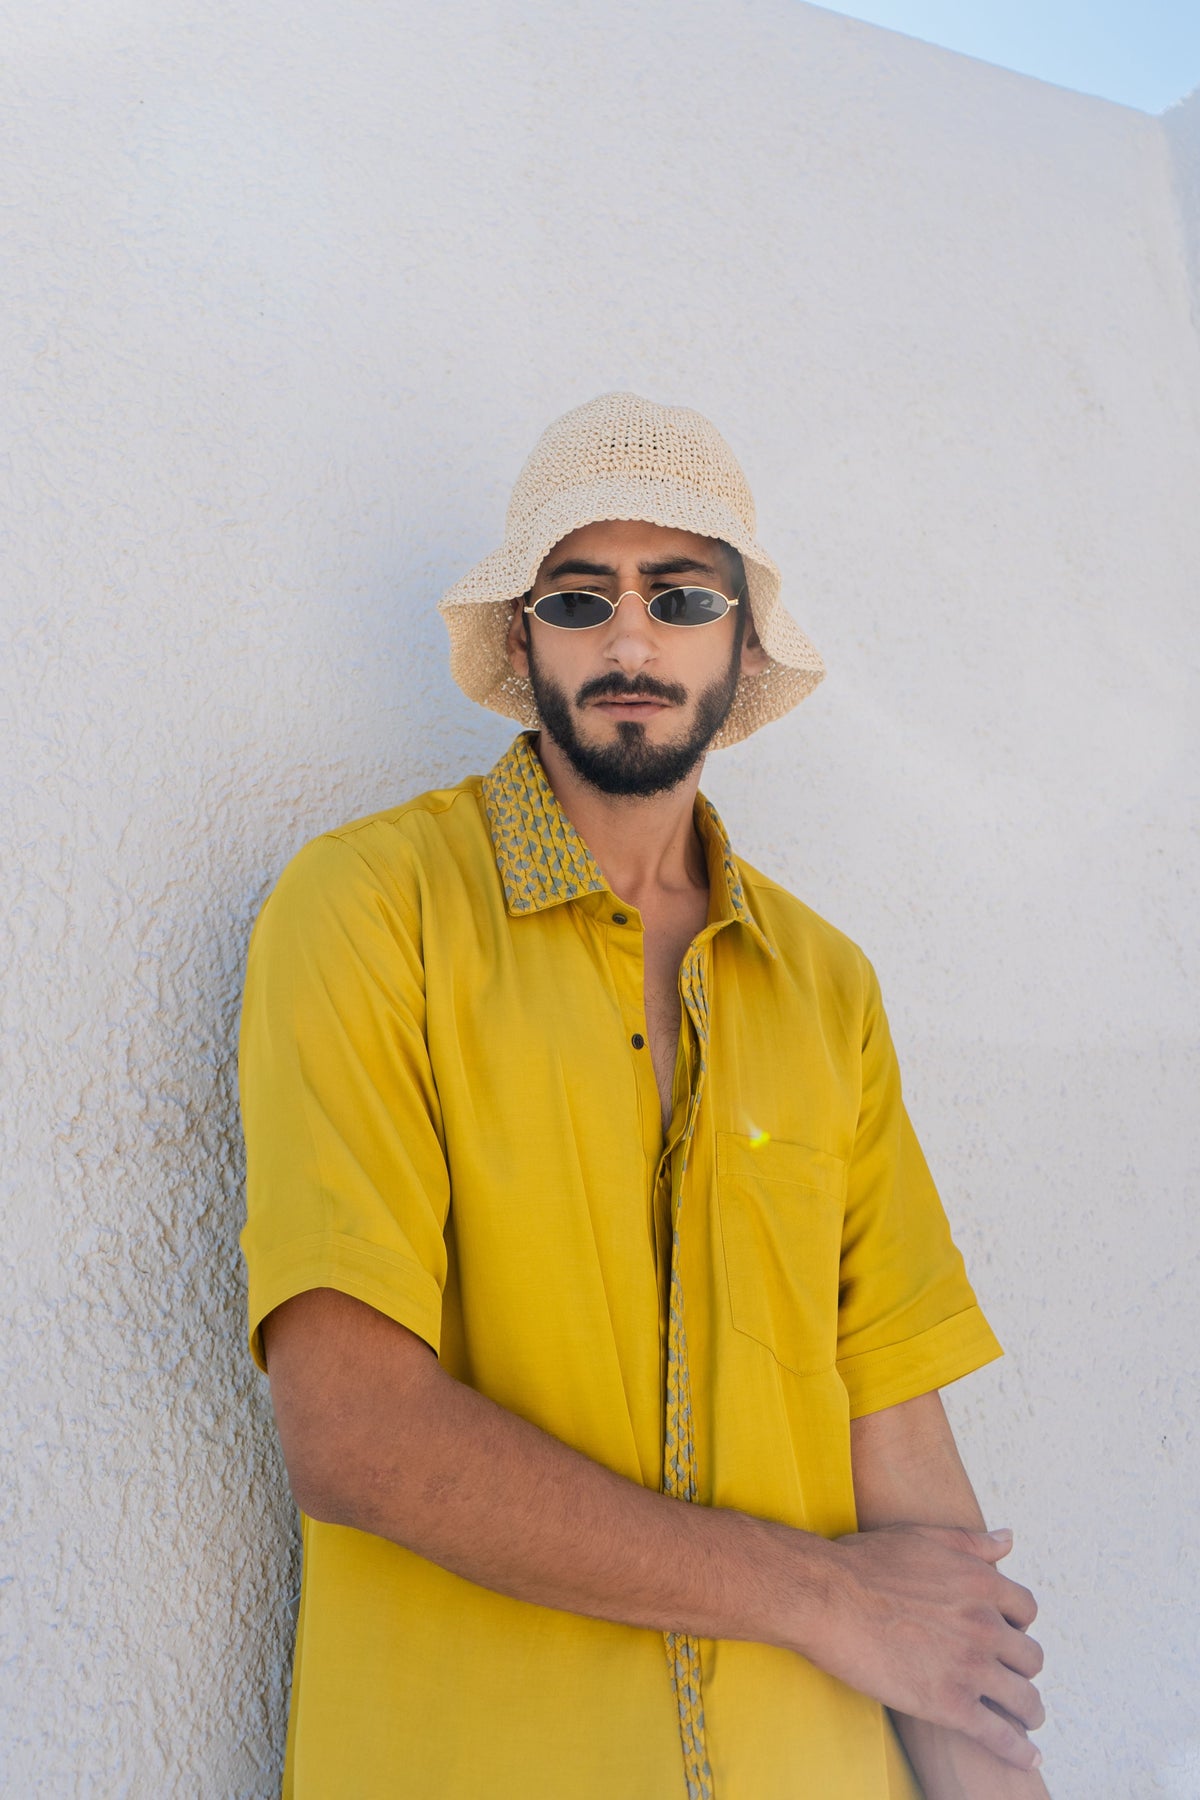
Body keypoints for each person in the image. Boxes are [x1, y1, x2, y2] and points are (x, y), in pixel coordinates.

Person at [239, 393, 1049, 1799]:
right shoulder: (370, 911)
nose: (630, 640)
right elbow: (354, 1431)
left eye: (682, 595)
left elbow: (905, 1466)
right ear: (519, 639)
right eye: (578, 595)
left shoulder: (827, 988)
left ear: (739, 651)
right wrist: (824, 1597)